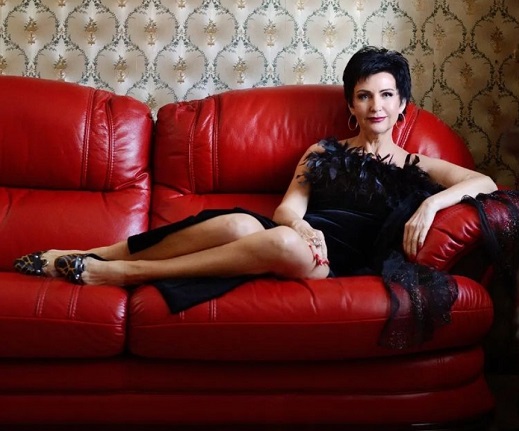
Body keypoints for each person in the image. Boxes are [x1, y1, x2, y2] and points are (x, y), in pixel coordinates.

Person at [14, 46, 503, 349]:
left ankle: (125, 273)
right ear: (351, 104)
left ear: (402, 104)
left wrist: (431, 203)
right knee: (239, 223)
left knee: (282, 243)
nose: (376, 105)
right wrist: (301, 225)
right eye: (364, 95)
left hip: (335, 263)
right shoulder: (323, 151)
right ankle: (92, 254)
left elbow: (485, 183)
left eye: (386, 94)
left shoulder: (418, 164)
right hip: (300, 238)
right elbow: (288, 207)